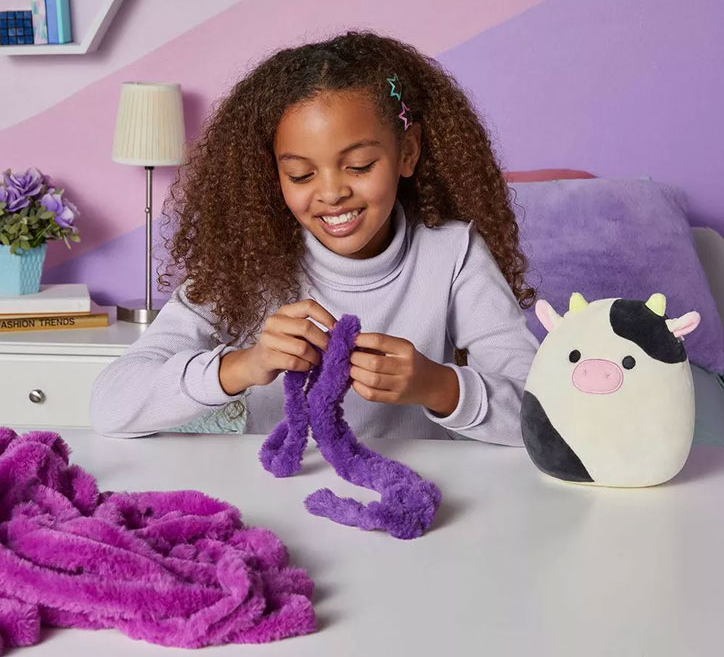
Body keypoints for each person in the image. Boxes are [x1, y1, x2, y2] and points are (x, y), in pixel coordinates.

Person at [90, 30, 540, 444]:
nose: (331, 193)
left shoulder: (453, 253)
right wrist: (245, 365)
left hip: (414, 499)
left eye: (359, 166)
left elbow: (548, 414)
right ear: (275, 176)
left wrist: (438, 386)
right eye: (301, 174)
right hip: (282, 496)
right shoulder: (248, 262)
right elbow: (110, 405)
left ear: (408, 152)